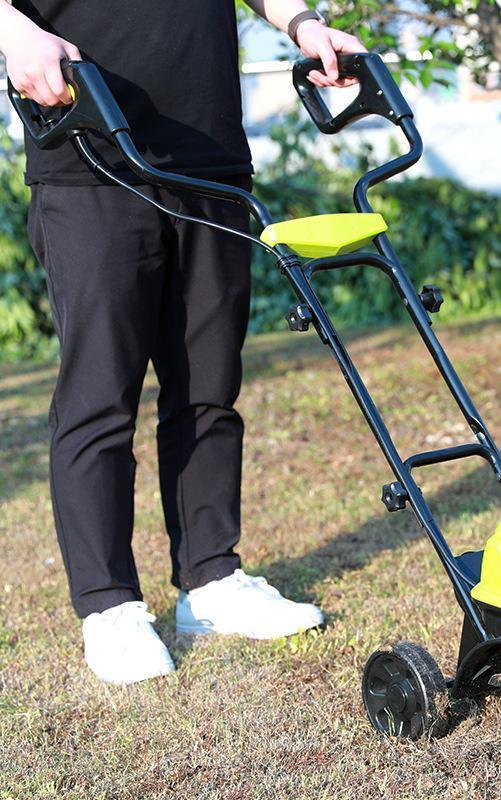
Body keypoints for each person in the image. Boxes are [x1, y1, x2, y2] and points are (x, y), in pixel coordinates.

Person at [0, 0, 365, 685]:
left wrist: (304, 25)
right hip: (90, 152)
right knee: (99, 395)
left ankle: (212, 578)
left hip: (210, 157)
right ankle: (108, 607)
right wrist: (13, 31)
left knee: (208, 386)